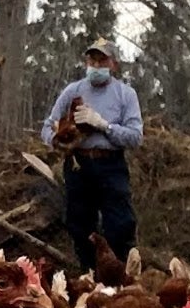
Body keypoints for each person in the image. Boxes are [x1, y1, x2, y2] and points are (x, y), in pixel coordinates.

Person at [46, 41, 142, 269]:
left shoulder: (125, 94)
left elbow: (136, 137)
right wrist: (58, 141)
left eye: (102, 61)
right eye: (92, 61)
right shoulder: (72, 91)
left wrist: (103, 125)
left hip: (111, 163)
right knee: (79, 223)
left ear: (113, 64)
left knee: (120, 224)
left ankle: (121, 276)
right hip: (78, 164)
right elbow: (48, 126)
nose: (96, 65)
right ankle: (88, 275)